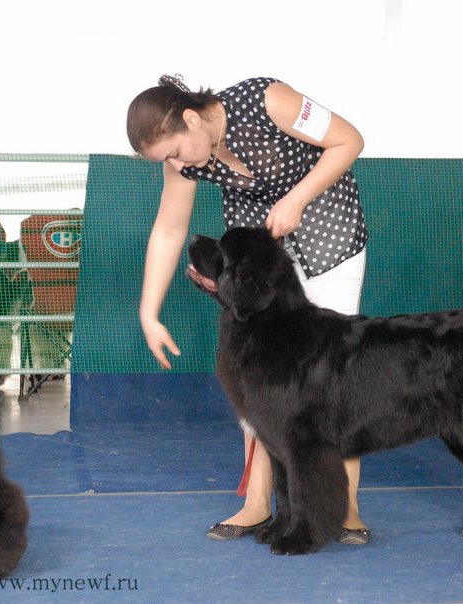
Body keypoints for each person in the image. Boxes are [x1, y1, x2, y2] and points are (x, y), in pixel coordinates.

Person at [127, 75, 371, 544]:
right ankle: (257, 503)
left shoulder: (267, 100)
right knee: (258, 377)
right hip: (257, 256)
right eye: (166, 161)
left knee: (331, 376)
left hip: (328, 235)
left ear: (191, 118)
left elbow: (349, 141)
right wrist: (148, 313)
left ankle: (347, 506)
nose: (176, 165)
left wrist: (297, 199)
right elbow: (169, 229)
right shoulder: (185, 162)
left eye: (175, 152)